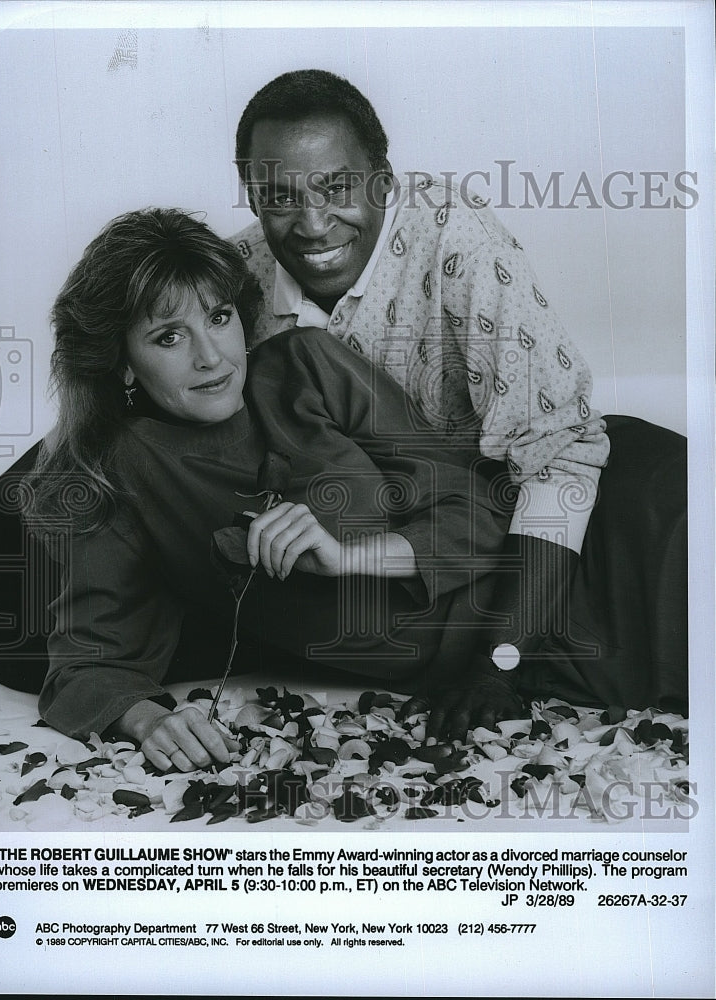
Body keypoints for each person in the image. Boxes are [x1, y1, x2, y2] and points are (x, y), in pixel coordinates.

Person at [230, 68, 688, 732]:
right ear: (249, 193)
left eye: (337, 187)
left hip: (574, 514)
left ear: (383, 181)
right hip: (434, 553)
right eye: (276, 197)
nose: (310, 223)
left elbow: (559, 457)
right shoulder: (236, 277)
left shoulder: (455, 237)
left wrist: (496, 663)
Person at [21, 207, 516, 771]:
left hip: (548, 588)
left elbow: (482, 508)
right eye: (168, 336)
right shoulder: (118, 471)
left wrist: (351, 558)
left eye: (219, 316)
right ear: (123, 363)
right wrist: (150, 720)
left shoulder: (308, 363)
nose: (211, 357)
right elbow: (85, 663)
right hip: (477, 681)